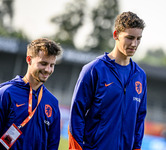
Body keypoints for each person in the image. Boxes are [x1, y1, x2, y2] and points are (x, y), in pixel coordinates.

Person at [68, 11, 147, 150]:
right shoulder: (94, 70)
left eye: (138, 38)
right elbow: (77, 113)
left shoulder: (140, 76)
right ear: (116, 35)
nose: (134, 44)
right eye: (129, 38)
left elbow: (139, 119)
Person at [0, 38, 62, 150]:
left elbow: (52, 145)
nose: (48, 70)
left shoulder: (52, 103)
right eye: (43, 63)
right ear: (29, 60)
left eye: (52, 65)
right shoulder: (6, 93)